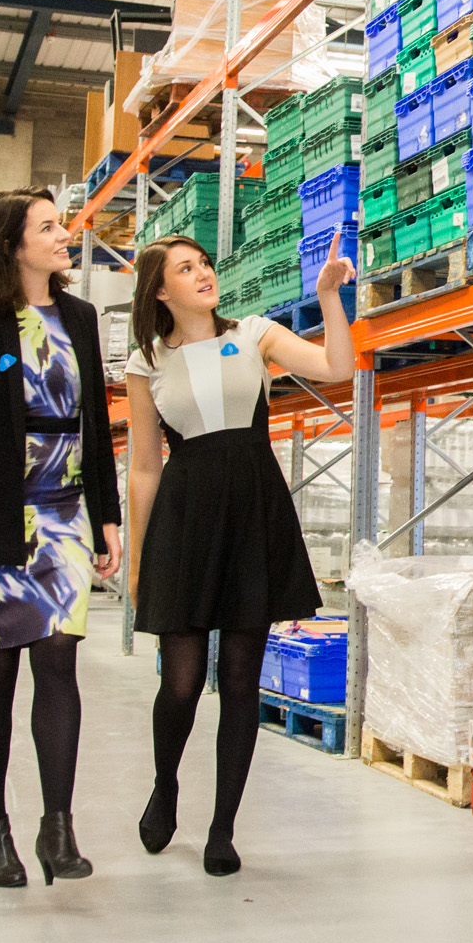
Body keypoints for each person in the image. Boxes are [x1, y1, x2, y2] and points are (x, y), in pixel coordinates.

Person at [124, 230, 354, 876]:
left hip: (252, 508)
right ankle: (165, 785)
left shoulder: (254, 333)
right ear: (159, 291)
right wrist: (139, 561)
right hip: (185, 516)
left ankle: (223, 827)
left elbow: (337, 367)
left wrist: (328, 297)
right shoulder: (146, 361)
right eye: (185, 268)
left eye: (204, 263)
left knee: (239, 681)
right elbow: (143, 467)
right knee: (180, 682)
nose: (204, 273)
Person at [0, 188, 123, 889]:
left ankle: (57, 827)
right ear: (12, 245)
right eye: (48, 227)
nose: (64, 234)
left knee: (59, 663)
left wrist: (107, 515)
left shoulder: (80, 317)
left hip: (64, 514)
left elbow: (95, 422)